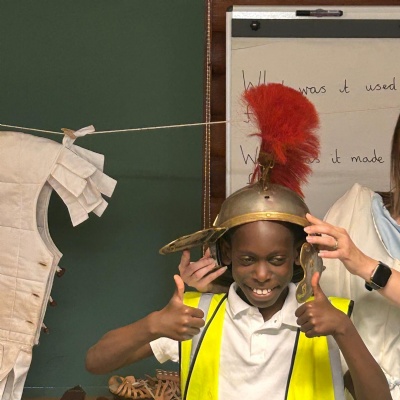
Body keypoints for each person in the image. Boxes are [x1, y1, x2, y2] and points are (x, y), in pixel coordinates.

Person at [86, 84, 391, 400]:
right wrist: (153, 324)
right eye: (248, 259)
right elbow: (96, 362)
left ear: (298, 256)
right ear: (227, 253)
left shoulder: (329, 319)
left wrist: (344, 330)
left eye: (276, 260)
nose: (261, 274)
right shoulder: (195, 315)